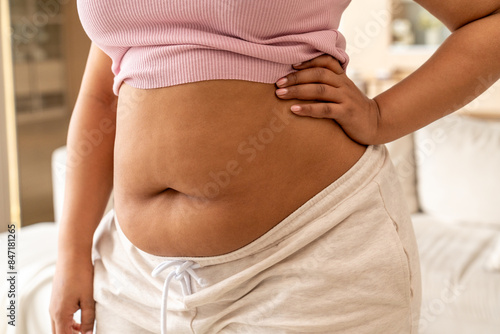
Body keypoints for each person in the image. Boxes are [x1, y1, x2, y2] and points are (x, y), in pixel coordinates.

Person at [49, 0, 500, 333]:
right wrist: (71, 252)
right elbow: (103, 95)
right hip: (136, 275)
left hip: (311, 257)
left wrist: (383, 116)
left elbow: (489, 22)